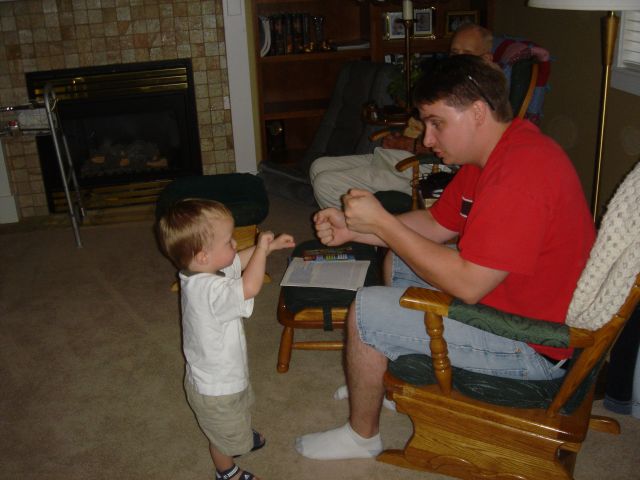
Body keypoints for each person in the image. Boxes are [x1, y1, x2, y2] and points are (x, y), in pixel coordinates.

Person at [295, 54, 595, 460]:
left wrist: (384, 226)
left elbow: (468, 285)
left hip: (535, 346)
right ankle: (381, 367)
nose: (428, 140)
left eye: (437, 123)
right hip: (512, 306)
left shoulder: (522, 174)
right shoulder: (490, 155)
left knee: (366, 310)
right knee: (399, 260)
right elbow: (437, 224)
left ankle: (361, 436)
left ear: (476, 112)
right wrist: (358, 229)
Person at [156, 199, 295, 480]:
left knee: (240, 408)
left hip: (220, 375)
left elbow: (236, 262)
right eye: (228, 241)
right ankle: (227, 471)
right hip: (217, 389)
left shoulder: (200, 273)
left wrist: (265, 248)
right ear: (204, 256)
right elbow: (250, 286)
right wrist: (263, 251)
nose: (235, 244)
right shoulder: (210, 291)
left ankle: (237, 433)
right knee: (221, 438)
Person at [310, 23, 494, 209]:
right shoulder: (449, 86)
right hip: (407, 155)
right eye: (455, 53)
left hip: (434, 168)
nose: (458, 61)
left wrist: (411, 145)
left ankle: (359, 231)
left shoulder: (482, 98)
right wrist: (405, 138)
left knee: (326, 183)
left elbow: (464, 150)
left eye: (467, 55)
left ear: (486, 59)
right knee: (318, 166)